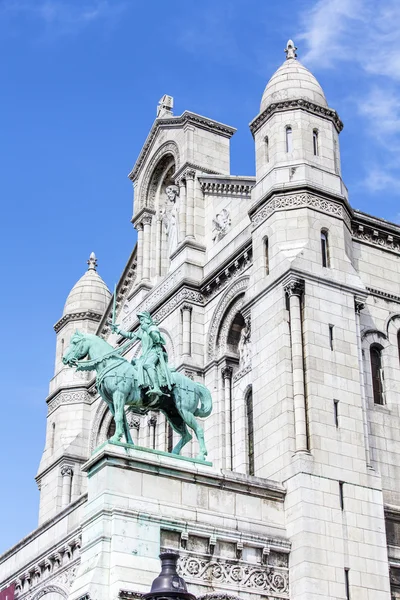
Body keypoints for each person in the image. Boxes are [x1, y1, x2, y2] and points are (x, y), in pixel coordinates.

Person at [111, 311, 172, 397]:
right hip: (145, 355)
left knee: (148, 364)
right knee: (135, 368)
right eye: (140, 320)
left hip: (155, 352)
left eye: (142, 319)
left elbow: (157, 339)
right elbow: (130, 335)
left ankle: (157, 387)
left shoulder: (152, 328)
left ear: (147, 320)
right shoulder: (142, 332)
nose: (140, 322)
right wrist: (118, 330)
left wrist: (148, 329)